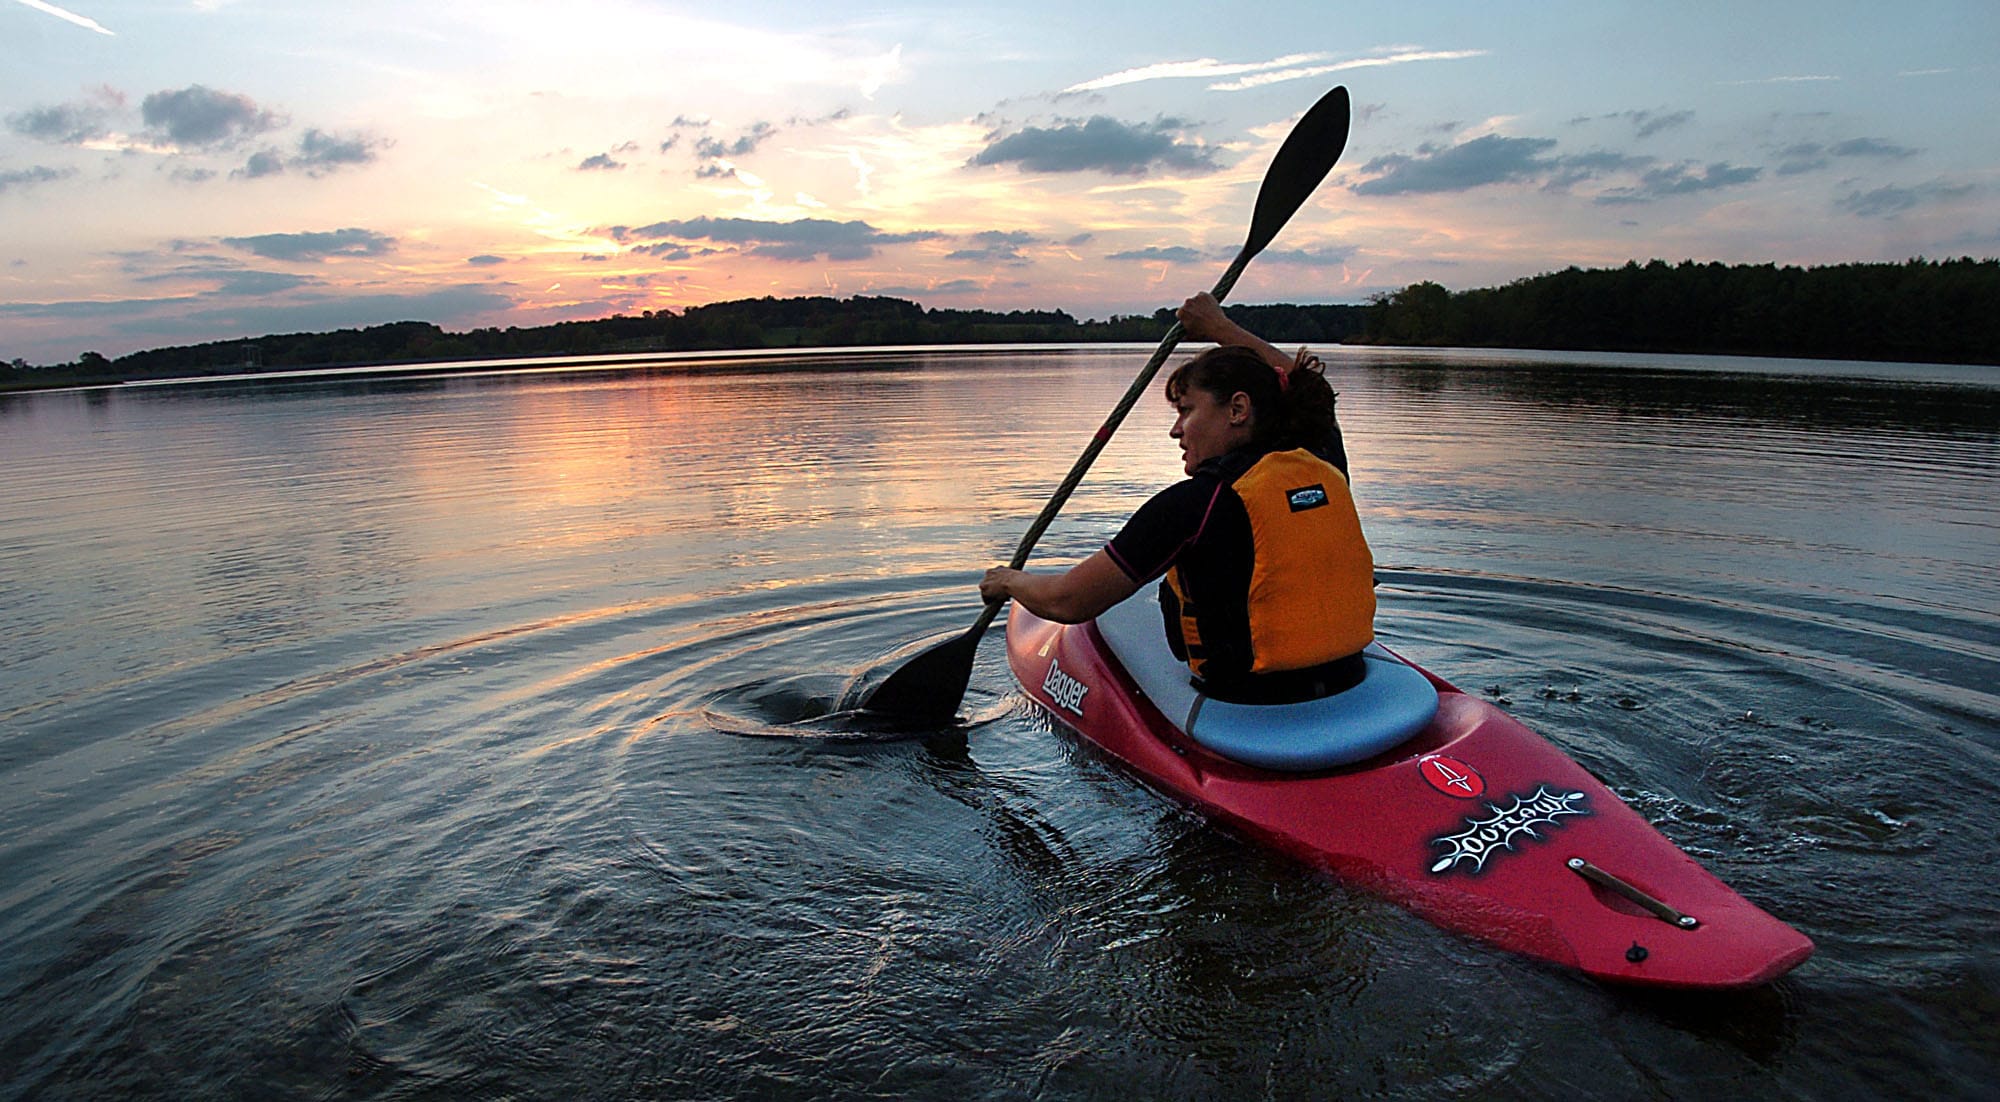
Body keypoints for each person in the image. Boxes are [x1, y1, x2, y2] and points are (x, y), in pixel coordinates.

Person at [979, 293, 1376, 704]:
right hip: (1347, 678)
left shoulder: (1193, 505)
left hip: (1250, 699)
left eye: (1186, 410)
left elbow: (1070, 601)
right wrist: (1220, 328)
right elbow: (1310, 389)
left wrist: (1009, 581)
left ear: (1238, 409)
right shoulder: (1323, 459)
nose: (1176, 430)